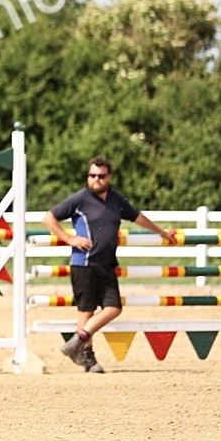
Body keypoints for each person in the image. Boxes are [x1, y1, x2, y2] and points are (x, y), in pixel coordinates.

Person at [43, 156, 178, 373]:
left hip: (106, 264)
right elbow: (49, 218)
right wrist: (69, 238)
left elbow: (138, 217)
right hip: (84, 263)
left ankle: (77, 342)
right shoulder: (79, 199)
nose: (96, 179)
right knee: (86, 311)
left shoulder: (116, 200)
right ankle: (87, 357)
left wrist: (161, 232)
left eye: (101, 176)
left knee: (113, 308)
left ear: (109, 177)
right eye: (92, 175)